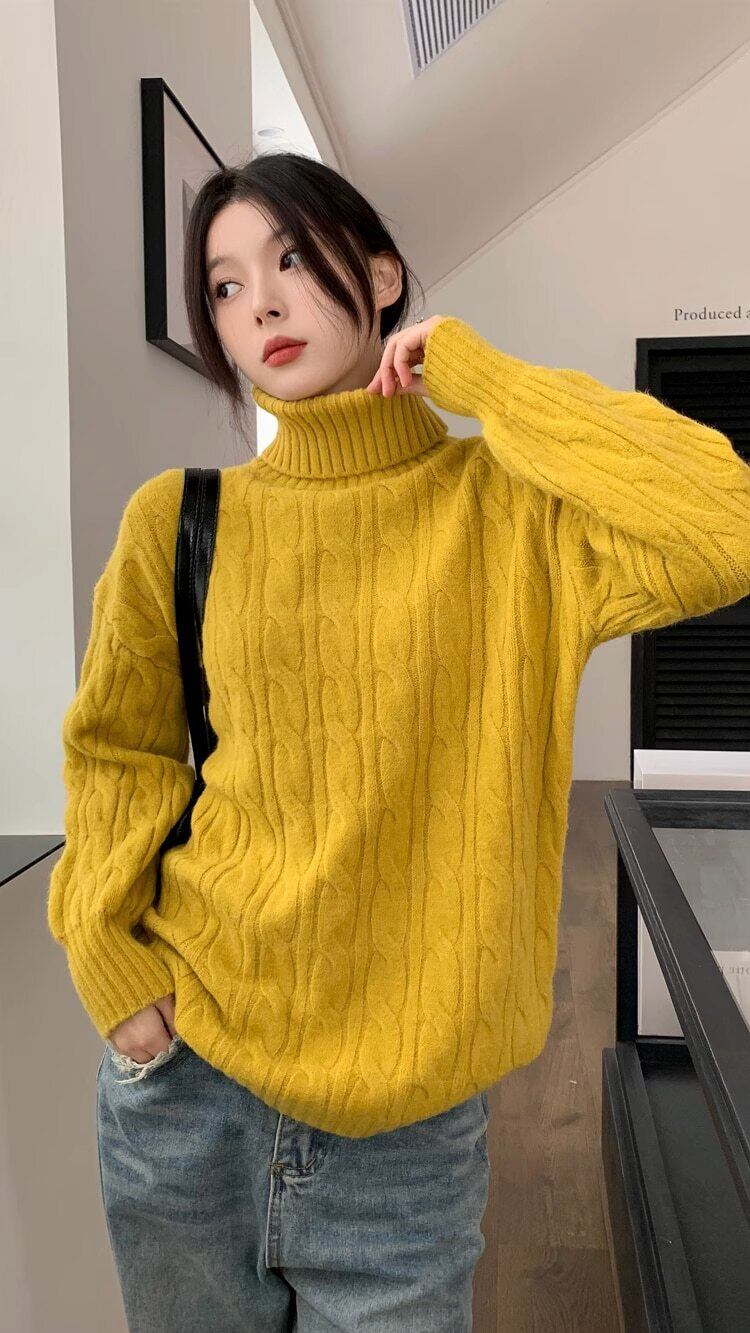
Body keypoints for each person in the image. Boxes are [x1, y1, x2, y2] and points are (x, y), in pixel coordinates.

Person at [47, 151, 750, 1333]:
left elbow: (725, 522)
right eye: (224, 286)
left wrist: (481, 375)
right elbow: (118, 755)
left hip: (405, 1139)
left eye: (289, 258)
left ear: (380, 275)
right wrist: (113, 969)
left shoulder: (515, 513)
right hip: (187, 1092)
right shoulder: (180, 519)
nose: (260, 304)